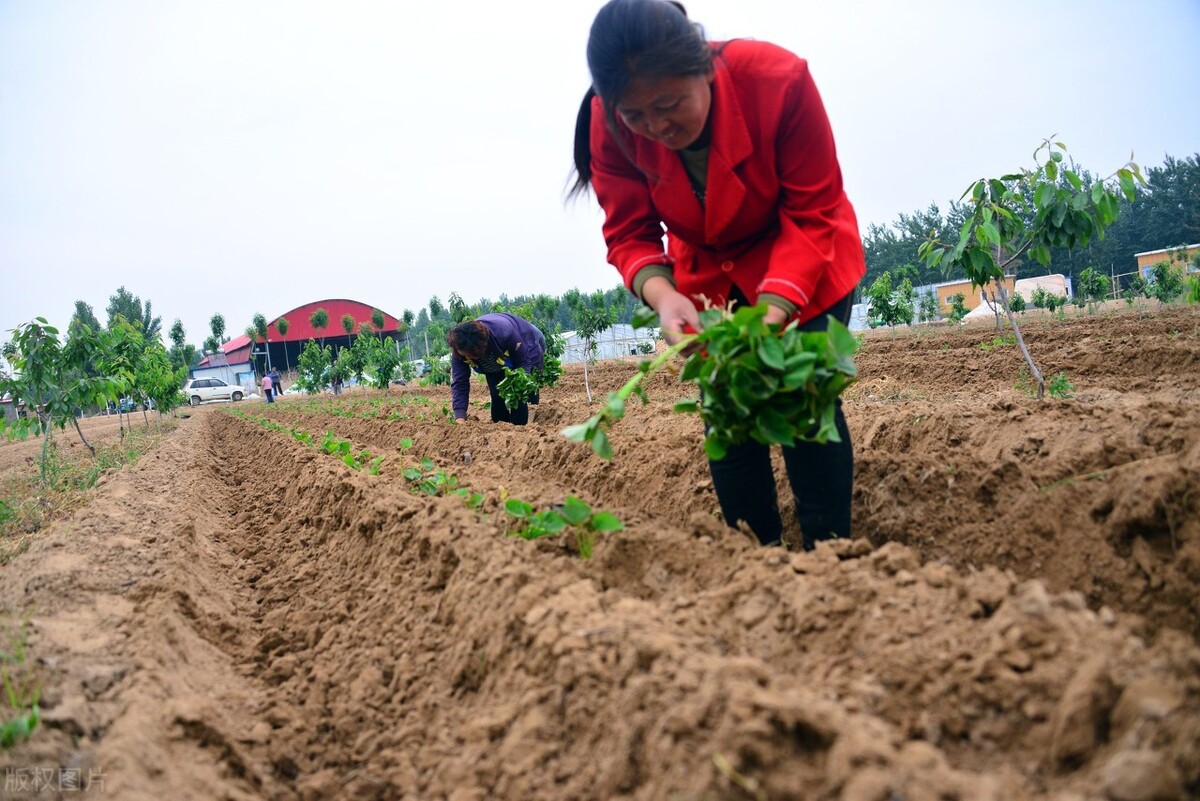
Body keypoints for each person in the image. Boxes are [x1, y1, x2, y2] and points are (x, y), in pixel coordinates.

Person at [569, 0, 866, 549]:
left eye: (668, 104)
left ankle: (831, 561)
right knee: (728, 417)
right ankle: (753, 558)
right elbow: (630, 232)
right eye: (635, 116)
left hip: (805, 256)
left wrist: (774, 312)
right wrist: (663, 297)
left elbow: (813, 210)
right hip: (706, 276)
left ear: (703, 66)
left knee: (805, 404)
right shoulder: (607, 123)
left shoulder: (778, 81)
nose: (655, 127)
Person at [448, 313, 545, 426]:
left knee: (521, 394)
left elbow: (523, 362)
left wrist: (520, 386)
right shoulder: (460, 349)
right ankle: (501, 429)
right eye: (464, 355)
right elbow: (460, 382)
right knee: (497, 394)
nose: (467, 358)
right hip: (497, 358)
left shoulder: (504, 333)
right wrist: (460, 416)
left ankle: (525, 427)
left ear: (480, 348)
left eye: (470, 354)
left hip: (525, 342)